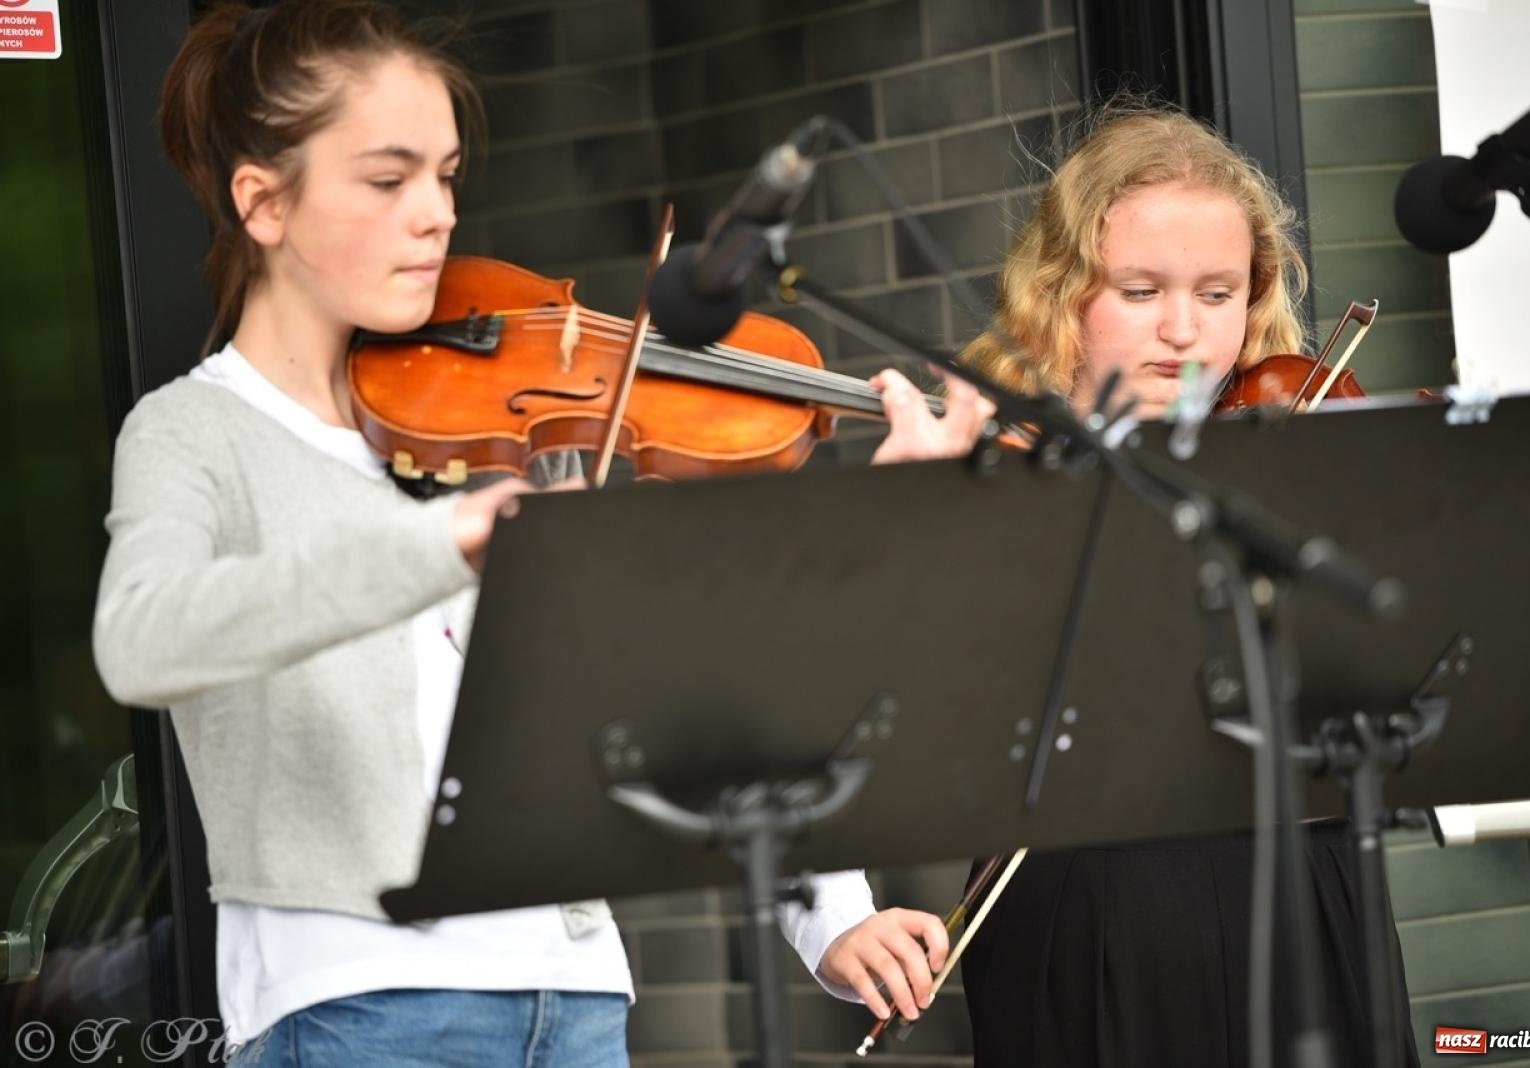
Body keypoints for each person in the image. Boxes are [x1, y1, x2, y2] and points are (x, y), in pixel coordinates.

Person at [90, 2, 984, 1064]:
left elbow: (687, 698)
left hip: (577, 1001)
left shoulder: (506, 433)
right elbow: (139, 640)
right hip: (359, 1009)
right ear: (263, 202)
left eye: (446, 176)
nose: (434, 215)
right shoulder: (198, 433)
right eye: (387, 179)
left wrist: (829, 912)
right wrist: (442, 545)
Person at [934, 106, 1417, 1067]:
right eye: (1141, 289)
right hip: (1096, 908)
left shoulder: (1296, 451)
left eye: (1219, 292)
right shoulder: (996, 468)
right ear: (1062, 292)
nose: (1185, 332)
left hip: (1308, 888)